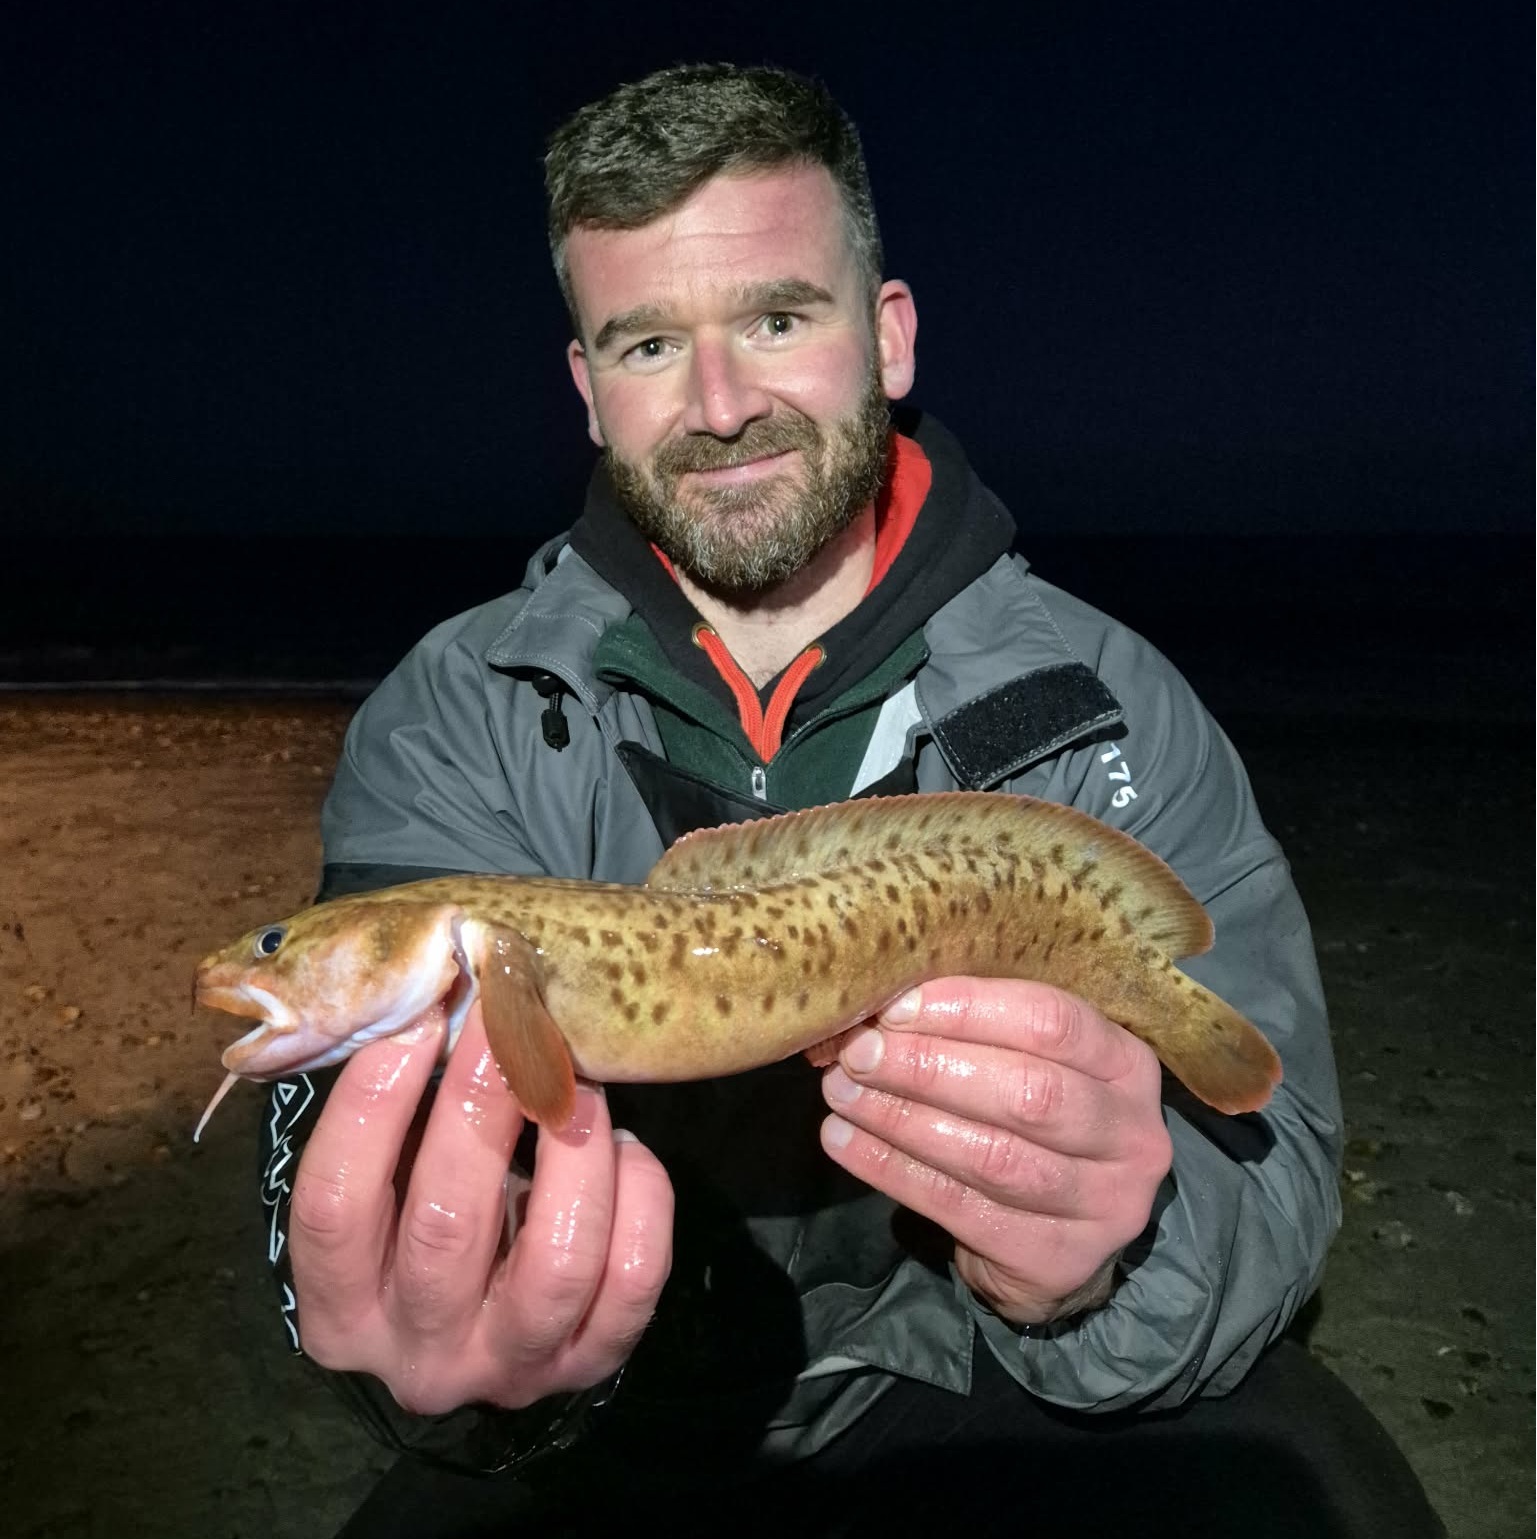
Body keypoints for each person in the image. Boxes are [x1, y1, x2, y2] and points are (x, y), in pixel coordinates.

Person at [256, 63, 1445, 1537]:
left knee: (1329, 1498)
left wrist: (1114, 1257)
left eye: (777, 319)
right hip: (620, 1413)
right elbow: (342, 1177)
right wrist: (447, 1345)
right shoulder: (452, 714)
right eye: (648, 343)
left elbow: (1275, 1161)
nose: (720, 406)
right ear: (585, 388)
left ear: (887, 336)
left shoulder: (1115, 704)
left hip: (980, 1370)